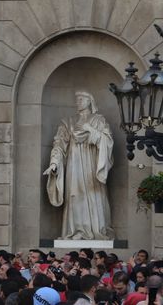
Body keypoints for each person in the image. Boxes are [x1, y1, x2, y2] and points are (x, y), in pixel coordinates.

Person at [44, 91, 114, 240]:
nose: (79, 101)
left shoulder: (99, 120)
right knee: (74, 195)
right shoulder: (68, 122)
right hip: (74, 165)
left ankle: (96, 230)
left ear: (90, 101)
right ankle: (75, 231)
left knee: (93, 194)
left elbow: (107, 141)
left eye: (82, 99)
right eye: (77, 99)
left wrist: (91, 130)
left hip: (92, 164)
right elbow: (59, 144)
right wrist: (54, 162)